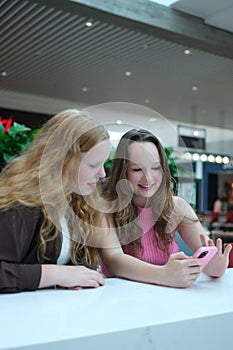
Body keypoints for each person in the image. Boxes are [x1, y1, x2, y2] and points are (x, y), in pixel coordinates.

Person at [99, 129, 232, 288]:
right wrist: (164, 274)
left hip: (168, 302)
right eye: (136, 169)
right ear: (123, 172)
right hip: (122, 301)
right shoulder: (106, 208)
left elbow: (207, 259)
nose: (148, 177)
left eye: (155, 167)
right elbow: (114, 261)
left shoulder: (177, 207)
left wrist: (216, 267)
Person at [0, 109, 110, 293]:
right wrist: (57, 274)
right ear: (61, 160)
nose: (102, 174)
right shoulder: (20, 206)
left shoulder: (76, 202)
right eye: (93, 165)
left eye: (102, 164)